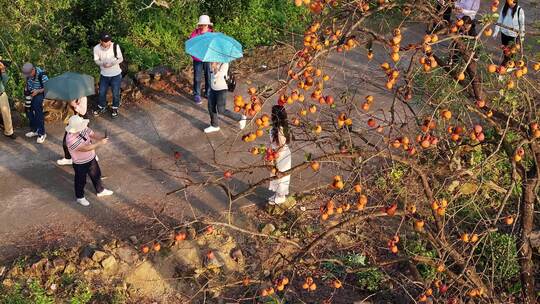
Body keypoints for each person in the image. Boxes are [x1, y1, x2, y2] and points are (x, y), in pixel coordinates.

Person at [65, 115, 113, 206]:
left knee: (96, 174)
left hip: (91, 158)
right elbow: (85, 148)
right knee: (80, 181)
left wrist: (101, 138)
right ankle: (80, 197)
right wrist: (100, 143)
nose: (83, 126)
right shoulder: (70, 139)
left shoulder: (83, 128)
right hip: (80, 163)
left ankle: (100, 190)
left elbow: (92, 134)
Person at [204, 62, 246, 133]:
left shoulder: (225, 63)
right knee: (211, 107)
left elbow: (220, 76)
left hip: (222, 89)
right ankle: (214, 125)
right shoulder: (211, 61)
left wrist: (215, 67)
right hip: (213, 88)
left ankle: (240, 118)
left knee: (221, 110)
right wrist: (212, 67)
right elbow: (211, 75)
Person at [93, 33, 123, 118]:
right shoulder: (96, 48)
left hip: (116, 74)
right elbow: (96, 60)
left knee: (115, 93)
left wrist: (112, 63)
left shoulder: (115, 46)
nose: (107, 43)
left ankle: (115, 108)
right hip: (104, 75)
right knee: (102, 92)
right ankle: (102, 107)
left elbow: (121, 58)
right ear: (101, 41)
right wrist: (102, 64)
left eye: (109, 41)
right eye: (105, 41)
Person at [268, 105, 292, 205]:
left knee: (280, 176)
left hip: (281, 156)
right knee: (276, 174)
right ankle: (278, 194)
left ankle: (281, 196)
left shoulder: (280, 129)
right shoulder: (280, 126)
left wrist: (273, 155)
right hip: (277, 153)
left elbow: (281, 145)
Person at [492, 0, 525, 66]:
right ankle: (506, 64)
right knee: (505, 51)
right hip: (504, 33)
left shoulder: (519, 10)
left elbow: (522, 24)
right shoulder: (504, 8)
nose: (512, 3)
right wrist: (496, 31)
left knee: (512, 53)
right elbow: (500, 20)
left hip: (513, 36)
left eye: (514, 2)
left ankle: (506, 67)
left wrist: (521, 37)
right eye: (511, 1)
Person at [57, 96, 88, 165]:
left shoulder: (83, 97)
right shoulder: (69, 96)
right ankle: (68, 158)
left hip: (81, 122)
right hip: (71, 122)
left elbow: (83, 112)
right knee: (66, 142)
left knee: (85, 141)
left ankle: (92, 156)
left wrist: (74, 105)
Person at [190, 15, 213, 105]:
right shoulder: (195, 33)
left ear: (208, 25)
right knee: (197, 78)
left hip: (208, 58)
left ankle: (208, 92)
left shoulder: (211, 34)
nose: (203, 27)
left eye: (205, 25)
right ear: (200, 25)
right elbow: (191, 45)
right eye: (202, 25)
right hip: (197, 58)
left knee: (208, 76)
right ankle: (196, 94)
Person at [22, 63, 48, 144]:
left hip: (40, 94)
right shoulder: (28, 76)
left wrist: (37, 91)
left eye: (29, 74)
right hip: (31, 94)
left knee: (37, 111)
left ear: (33, 70)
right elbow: (28, 85)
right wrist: (26, 90)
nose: (28, 76)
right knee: (28, 110)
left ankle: (42, 133)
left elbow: (48, 87)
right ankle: (35, 130)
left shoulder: (42, 75)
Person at [0, 59, 16, 139]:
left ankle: (9, 132)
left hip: (1, 94)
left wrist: (3, 71)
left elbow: (5, 81)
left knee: (6, 114)